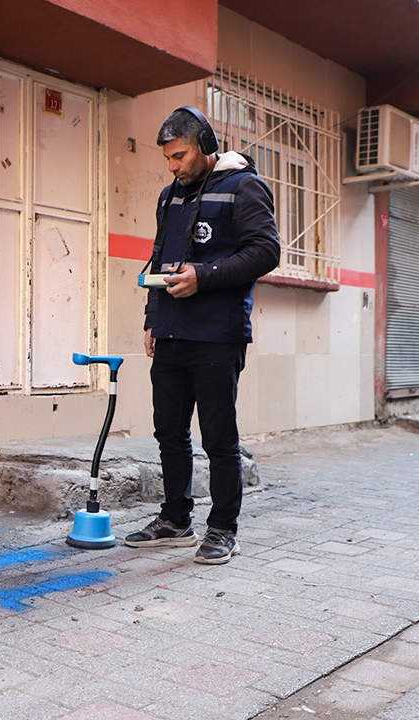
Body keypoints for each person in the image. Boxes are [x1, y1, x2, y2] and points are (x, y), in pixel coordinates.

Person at [124, 106, 280, 564]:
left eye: (180, 156)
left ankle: (222, 528)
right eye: (168, 159)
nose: (173, 166)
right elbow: (159, 258)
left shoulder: (244, 187)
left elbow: (267, 250)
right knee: (169, 433)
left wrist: (204, 276)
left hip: (217, 335)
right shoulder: (169, 196)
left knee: (218, 437)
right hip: (171, 334)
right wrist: (153, 318)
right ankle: (175, 520)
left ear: (206, 146)